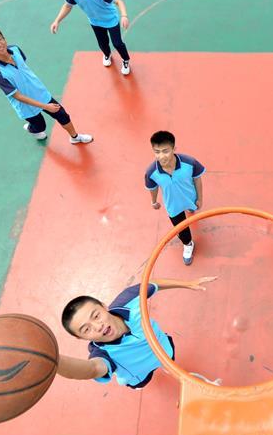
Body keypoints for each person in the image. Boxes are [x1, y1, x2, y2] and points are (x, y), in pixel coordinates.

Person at [57, 277, 217, 389]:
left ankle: (166, 366)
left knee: (169, 362)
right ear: (80, 338)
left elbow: (152, 284)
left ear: (104, 306)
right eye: (86, 329)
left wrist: (188, 283)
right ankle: (155, 373)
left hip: (164, 349)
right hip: (140, 375)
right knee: (143, 383)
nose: (97, 326)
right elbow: (92, 369)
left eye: (96, 316)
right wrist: (53, 361)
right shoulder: (102, 353)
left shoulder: (129, 300)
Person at [0, 25, 93, 143]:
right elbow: (18, 96)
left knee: (62, 115)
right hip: (25, 106)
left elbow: (23, 68)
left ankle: (75, 137)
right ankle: (31, 128)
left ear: (4, 38)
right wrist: (45, 106)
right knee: (40, 127)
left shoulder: (15, 49)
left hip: (40, 93)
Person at [50, 0, 132, 75]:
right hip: (95, 21)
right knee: (102, 43)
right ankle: (107, 55)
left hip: (110, 19)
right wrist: (57, 21)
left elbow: (118, 1)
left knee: (117, 43)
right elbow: (67, 6)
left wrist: (124, 15)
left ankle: (125, 60)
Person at [145, 131, 205, 265]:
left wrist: (200, 198)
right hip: (173, 205)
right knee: (181, 227)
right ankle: (188, 244)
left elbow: (197, 179)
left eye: (165, 151)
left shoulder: (189, 163)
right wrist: (153, 201)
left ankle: (191, 208)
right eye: (157, 152)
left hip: (190, 197)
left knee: (192, 208)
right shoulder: (151, 172)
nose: (161, 156)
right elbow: (153, 188)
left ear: (174, 149)